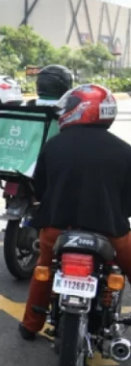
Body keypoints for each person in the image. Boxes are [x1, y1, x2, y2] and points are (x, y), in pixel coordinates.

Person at [19, 84, 131, 340]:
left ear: (81, 110)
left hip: (58, 228)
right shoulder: (125, 151)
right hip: (110, 230)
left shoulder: (54, 145)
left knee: (44, 270)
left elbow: (40, 187)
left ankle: (30, 325)